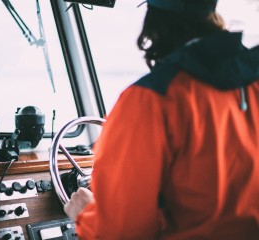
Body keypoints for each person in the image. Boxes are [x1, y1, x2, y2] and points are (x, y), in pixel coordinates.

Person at [64, 0, 259, 239]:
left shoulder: (150, 100)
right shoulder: (252, 83)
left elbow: (119, 231)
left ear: (153, 23)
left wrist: (85, 213)